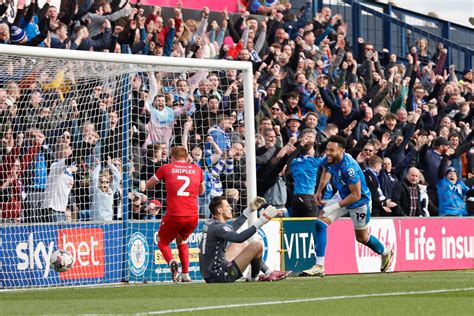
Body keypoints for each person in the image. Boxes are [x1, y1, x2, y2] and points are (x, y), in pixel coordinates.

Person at [303, 136, 393, 277]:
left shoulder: (349, 168)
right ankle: (319, 265)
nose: (328, 153)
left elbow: (355, 195)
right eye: (327, 150)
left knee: (362, 238)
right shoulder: (329, 159)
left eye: (332, 150)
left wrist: (332, 207)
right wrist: (319, 190)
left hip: (359, 203)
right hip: (343, 195)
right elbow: (326, 170)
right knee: (320, 224)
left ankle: (385, 252)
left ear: (341, 151)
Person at [146, 146, 205, 282]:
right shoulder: (197, 169)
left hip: (175, 214)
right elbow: (201, 192)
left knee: (162, 242)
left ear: (172, 157)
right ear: (186, 157)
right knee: (182, 240)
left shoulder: (166, 168)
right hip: (192, 215)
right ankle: (186, 274)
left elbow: (149, 184)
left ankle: (171, 262)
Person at [199, 196, 288, 283]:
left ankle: (268, 272)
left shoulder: (211, 224)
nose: (231, 208)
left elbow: (232, 227)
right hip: (220, 276)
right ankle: (255, 278)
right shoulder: (218, 227)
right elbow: (239, 238)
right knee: (256, 246)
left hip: (211, 274)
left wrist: (249, 210)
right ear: (220, 210)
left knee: (243, 244)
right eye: (227, 206)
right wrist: (262, 221)